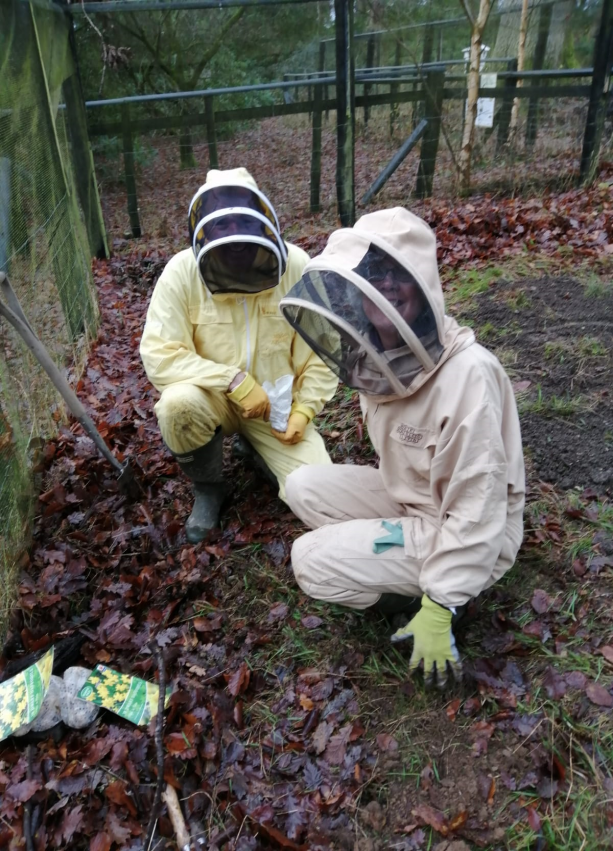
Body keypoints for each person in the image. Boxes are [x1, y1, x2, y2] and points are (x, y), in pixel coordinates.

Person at [279, 208, 525, 687]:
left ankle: (434, 600)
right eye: (374, 272)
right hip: (415, 496)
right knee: (300, 485)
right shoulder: (379, 351)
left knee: (309, 561)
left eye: (398, 274)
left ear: (424, 285)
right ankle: (399, 565)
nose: (385, 286)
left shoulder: (468, 375)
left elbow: (479, 506)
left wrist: (441, 604)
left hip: (474, 531)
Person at [140, 168, 337, 543]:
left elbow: (321, 348)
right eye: (222, 222)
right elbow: (159, 354)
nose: (233, 231)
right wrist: (232, 381)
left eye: (242, 220)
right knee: (176, 405)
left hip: (276, 405)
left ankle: (256, 448)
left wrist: (305, 408)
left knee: (322, 494)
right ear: (205, 229)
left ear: (260, 219)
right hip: (211, 399)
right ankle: (209, 487)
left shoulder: (295, 265)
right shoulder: (182, 272)